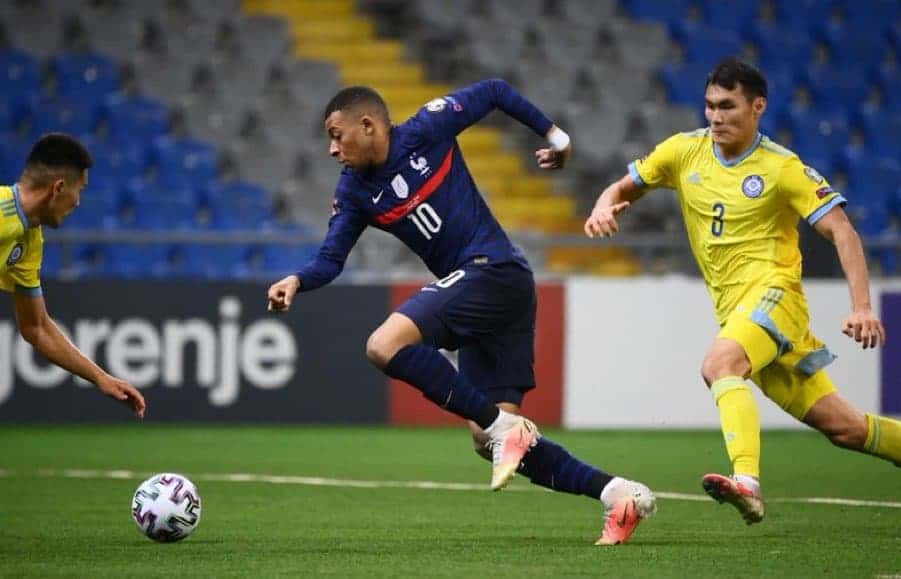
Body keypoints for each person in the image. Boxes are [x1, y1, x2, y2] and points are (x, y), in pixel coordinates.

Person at [584, 58, 901, 537]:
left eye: (727, 106)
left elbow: (842, 231)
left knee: (720, 365)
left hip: (776, 299)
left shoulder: (782, 168)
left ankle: (747, 482)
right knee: (847, 428)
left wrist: (862, 307)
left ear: (758, 107)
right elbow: (622, 187)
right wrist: (604, 206)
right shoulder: (683, 151)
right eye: (710, 106)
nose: (716, 117)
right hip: (738, 314)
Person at [266, 79, 656, 545]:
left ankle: (505, 427)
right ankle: (619, 495)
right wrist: (297, 280)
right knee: (486, 441)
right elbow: (331, 259)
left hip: (495, 271)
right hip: (489, 295)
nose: (332, 149)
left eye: (336, 135)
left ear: (367, 125)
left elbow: (493, 90)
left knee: (383, 345)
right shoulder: (354, 191)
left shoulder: (426, 129)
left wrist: (556, 136)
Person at [2, 133, 146, 419]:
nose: (78, 202)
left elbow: (36, 327)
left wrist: (100, 377)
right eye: (79, 190)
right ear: (58, 188)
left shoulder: (30, 238)